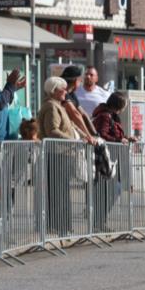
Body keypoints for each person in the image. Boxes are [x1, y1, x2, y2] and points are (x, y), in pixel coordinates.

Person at [38, 77, 78, 234]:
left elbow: (70, 126)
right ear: (54, 90)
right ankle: (58, 226)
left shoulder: (58, 106)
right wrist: (73, 141)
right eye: (63, 89)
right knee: (58, 192)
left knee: (63, 191)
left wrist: (83, 137)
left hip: (63, 153)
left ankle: (64, 226)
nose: (66, 92)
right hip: (57, 153)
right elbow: (52, 130)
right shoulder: (51, 107)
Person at [91, 91, 128, 231]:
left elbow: (113, 134)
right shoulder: (105, 116)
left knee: (113, 190)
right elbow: (102, 135)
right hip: (104, 159)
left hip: (110, 158)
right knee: (107, 192)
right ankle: (98, 223)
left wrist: (125, 139)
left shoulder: (112, 116)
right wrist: (119, 140)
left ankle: (101, 222)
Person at [61, 65, 98, 143]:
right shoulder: (63, 94)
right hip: (64, 135)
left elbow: (84, 114)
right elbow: (75, 114)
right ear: (76, 81)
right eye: (80, 81)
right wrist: (89, 136)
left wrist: (96, 134)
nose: (81, 83)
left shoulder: (72, 94)